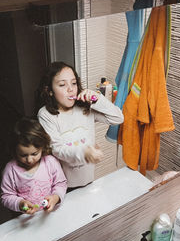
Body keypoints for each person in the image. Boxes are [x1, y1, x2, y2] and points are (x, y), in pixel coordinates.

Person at [36, 61, 124, 189]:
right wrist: (84, 153)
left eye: (74, 83)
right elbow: (57, 149)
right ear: (49, 90)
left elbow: (118, 118)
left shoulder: (85, 108)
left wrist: (97, 99)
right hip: (62, 186)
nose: (70, 89)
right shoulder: (46, 115)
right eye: (62, 85)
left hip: (89, 178)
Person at [0, 117, 67, 214]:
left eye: (34, 154)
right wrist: (20, 203)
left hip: (50, 213)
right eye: (23, 155)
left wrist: (55, 197)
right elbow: (6, 196)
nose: (29, 160)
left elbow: (60, 183)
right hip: (26, 219)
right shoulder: (11, 170)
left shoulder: (50, 162)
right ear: (15, 151)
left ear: (43, 147)